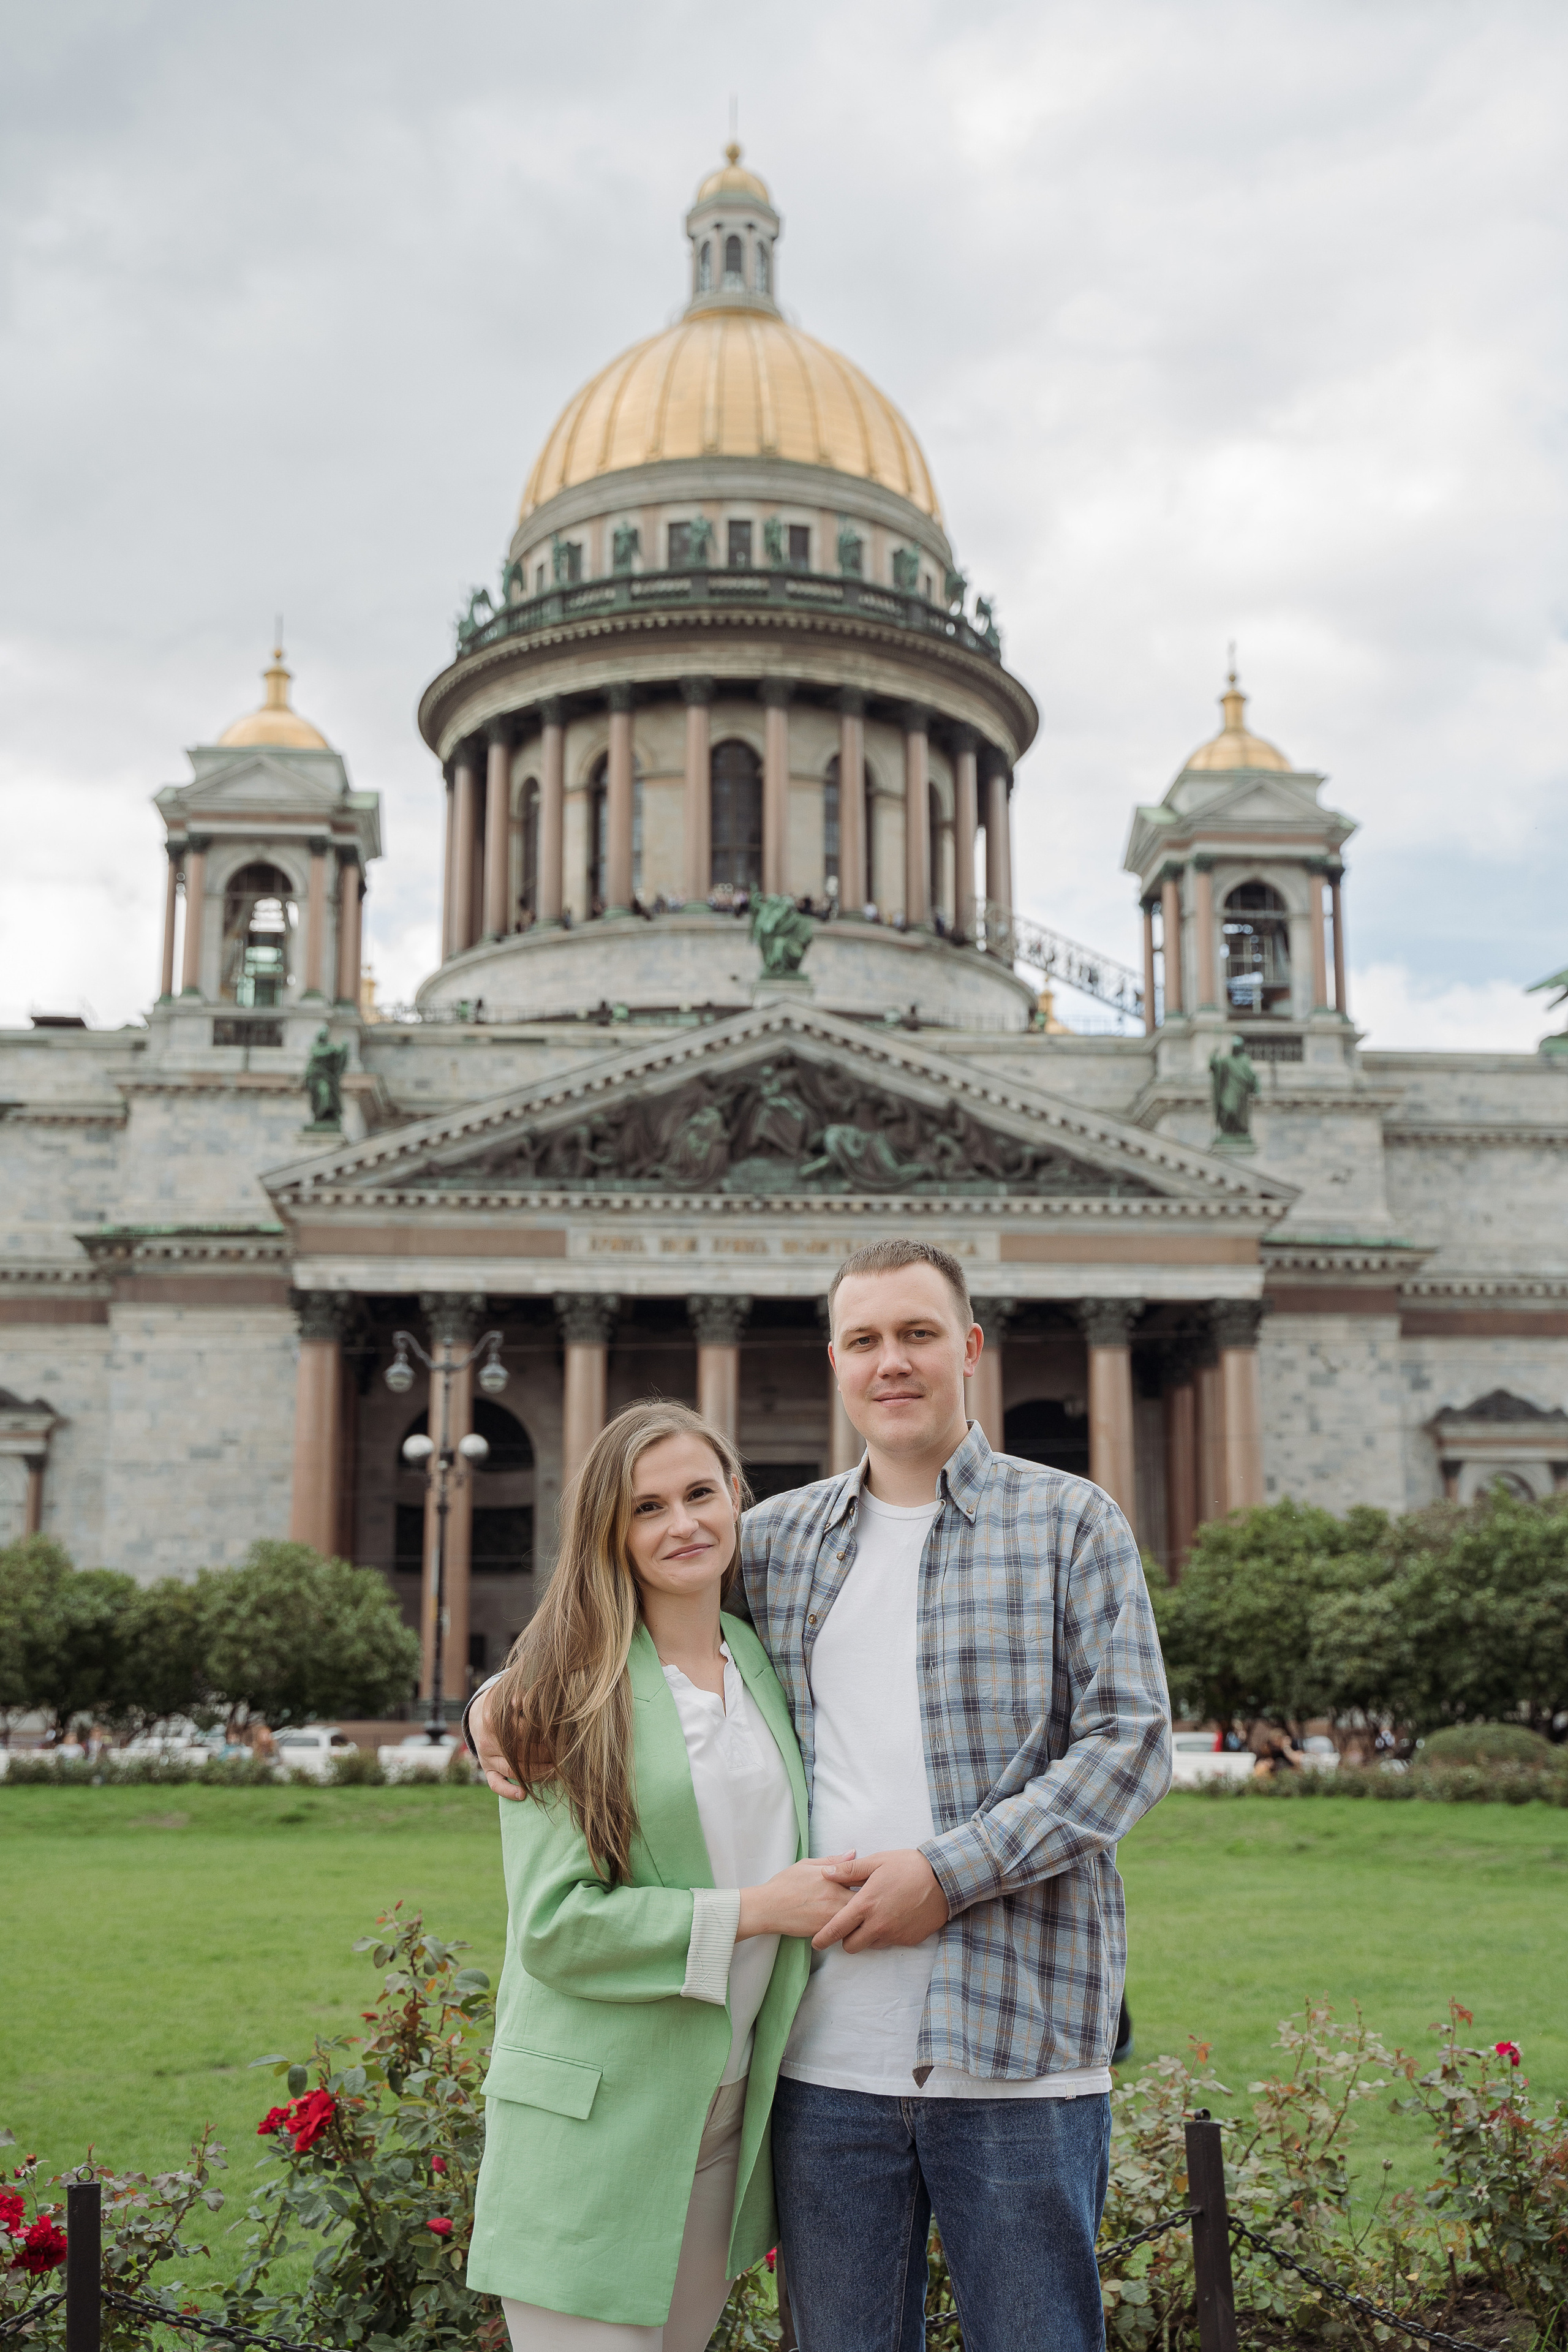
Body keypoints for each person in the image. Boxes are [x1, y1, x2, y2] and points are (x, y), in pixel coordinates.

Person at [472, 1242, 1172, 2352]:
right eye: (864, 1340)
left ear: (971, 1349)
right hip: (822, 2064)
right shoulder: (779, 1540)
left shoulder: (1072, 1522)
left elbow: (1131, 1746)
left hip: (1020, 2049)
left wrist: (945, 1877)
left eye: (918, 1334)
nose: (890, 1362)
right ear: (837, 1362)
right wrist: (504, 1694)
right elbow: (629, 1588)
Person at [466, 1400, 849, 2351]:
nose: (681, 1524)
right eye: (646, 1507)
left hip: (719, 2117)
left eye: (699, 1493)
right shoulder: (559, 1694)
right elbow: (556, 1928)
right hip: (593, 2123)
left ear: (736, 1501)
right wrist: (761, 1911)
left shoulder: (758, 1661)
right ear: (609, 1531)